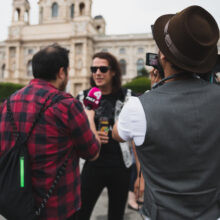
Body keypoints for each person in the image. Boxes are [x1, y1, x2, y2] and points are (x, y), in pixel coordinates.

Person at [113, 5, 220, 220]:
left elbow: (118, 134)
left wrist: (155, 91)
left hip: (160, 214)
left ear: (162, 56)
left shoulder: (139, 106)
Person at [0, 44, 100, 220]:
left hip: (15, 203)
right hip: (57, 207)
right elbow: (92, 152)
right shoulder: (67, 105)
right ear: (62, 72)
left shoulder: (7, 104)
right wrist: (90, 116)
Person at [76, 52, 135, 220]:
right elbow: (75, 133)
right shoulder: (82, 97)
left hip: (121, 165)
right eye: (94, 69)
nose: (98, 73)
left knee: (116, 215)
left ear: (114, 72)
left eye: (103, 68)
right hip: (92, 164)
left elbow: (133, 134)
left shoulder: (128, 97)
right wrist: (91, 135)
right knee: (81, 213)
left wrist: (139, 176)